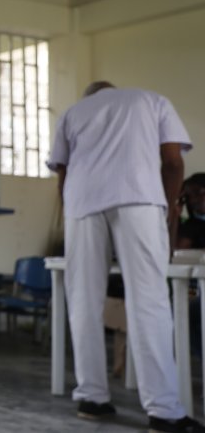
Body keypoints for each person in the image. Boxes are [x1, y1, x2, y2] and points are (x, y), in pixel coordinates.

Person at [49, 81, 203, 432]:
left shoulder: (73, 113)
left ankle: (92, 397)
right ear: (113, 90)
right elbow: (172, 162)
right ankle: (163, 411)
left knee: (83, 299)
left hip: (82, 203)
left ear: (90, 96)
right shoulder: (152, 100)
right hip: (138, 197)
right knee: (149, 299)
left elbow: (63, 175)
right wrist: (168, 206)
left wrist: (73, 212)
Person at [177, 173, 205, 249]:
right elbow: (179, 249)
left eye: (203, 192)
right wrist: (175, 216)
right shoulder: (190, 227)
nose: (202, 198)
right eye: (188, 196)